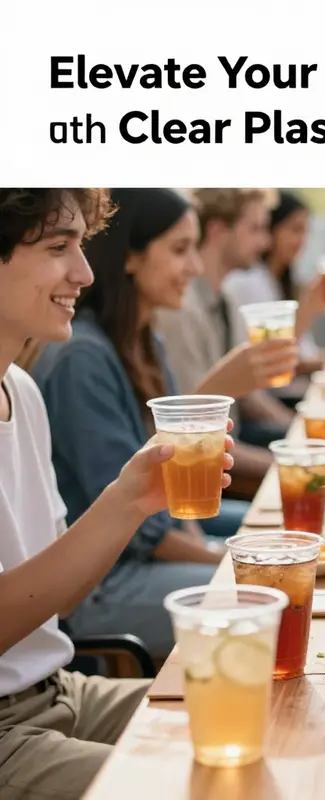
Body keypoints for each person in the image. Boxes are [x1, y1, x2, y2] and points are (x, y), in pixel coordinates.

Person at [0, 188, 234, 799]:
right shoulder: (73, 363)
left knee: (255, 708)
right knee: (203, 785)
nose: (84, 272)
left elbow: (59, 600)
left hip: (60, 688)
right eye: (58, 248)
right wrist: (123, 505)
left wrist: (132, 502)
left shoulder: (21, 393)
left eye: (82, 244)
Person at [31, 189, 255, 659]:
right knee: (264, 597)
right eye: (179, 250)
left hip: (147, 556)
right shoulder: (82, 360)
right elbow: (143, 529)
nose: (195, 267)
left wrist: (224, 550)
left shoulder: (143, 342)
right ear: (130, 257)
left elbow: (170, 501)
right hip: (106, 584)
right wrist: (223, 558)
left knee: (278, 560)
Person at [156, 188, 299, 467]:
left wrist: (297, 428)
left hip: (235, 439)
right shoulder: (181, 311)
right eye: (255, 229)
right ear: (219, 231)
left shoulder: (225, 299)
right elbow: (190, 429)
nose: (265, 242)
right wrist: (285, 465)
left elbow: (246, 395)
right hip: (204, 461)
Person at [224, 190, 325, 389]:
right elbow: (273, 359)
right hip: (280, 396)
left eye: (305, 231)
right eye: (295, 230)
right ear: (272, 230)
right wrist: (310, 308)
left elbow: (305, 352)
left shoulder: (283, 280)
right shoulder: (250, 281)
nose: (302, 241)